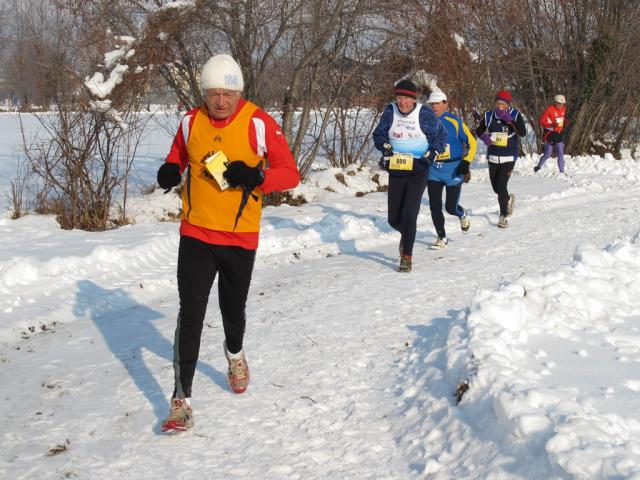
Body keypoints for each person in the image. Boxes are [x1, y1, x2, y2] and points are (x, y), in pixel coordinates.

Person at [156, 54, 300, 432]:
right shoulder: (190, 121)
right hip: (196, 233)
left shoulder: (257, 122)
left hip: (239, 236)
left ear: (238, 92)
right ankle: (181, 399)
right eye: (213, 93)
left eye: (227, 94)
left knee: (232, 310)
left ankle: (234, 353)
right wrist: (171, 170)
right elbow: (178, 156)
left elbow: (290, 174)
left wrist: (255, 176)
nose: (220, 101)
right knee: (191, 314)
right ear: (204, 93)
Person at [372, 79, 448, 272]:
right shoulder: (390, 111)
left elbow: (441, 136)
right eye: (399, 97)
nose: (402, 102)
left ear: (414, 99)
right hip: (397, 168)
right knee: (393, 219)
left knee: (409, 214)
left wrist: (434, 152)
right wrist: (384, 145)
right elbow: (379, 134)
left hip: (418, 168)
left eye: (406, 98)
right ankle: (407, 236)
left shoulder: (424, 114)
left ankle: (407, 256)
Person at [425, 90, 477, 248]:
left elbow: (472, 143)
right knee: (434, 206)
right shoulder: (425, 122)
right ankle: (442, 237)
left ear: (445, 104)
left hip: (453, 170)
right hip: (433, 170)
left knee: (450, 207)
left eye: (438, 103)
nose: (434, 106)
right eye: (432, 103)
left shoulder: (454, 122)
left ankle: (462, 214)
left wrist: (466, 162)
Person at [475, 90, 526, 228]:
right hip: (493, 156)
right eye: (498, 103)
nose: (500, 106)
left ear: (508, 104)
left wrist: (510, 121)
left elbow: (522, 132)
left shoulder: (515, 114)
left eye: (503, 103)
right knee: (496, 187)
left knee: (502, 186)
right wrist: (484, 137)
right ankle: (507, 200)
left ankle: (503, 216)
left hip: (508, 156)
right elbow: (479, 130)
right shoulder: (489, 115)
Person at [534, 94, 567, 173]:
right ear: (555, 102)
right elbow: (541, 121)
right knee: (548, 154)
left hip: (559, 134)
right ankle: (538, 166)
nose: (560, 105)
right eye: (559, 103)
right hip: (550, 134)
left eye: (562, 104)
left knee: (561, 153)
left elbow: (561, 118)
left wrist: (565, 121)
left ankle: (561, 172)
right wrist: (551, 125)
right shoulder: (549, 109)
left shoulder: (564, 109)